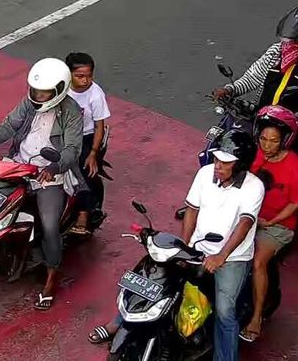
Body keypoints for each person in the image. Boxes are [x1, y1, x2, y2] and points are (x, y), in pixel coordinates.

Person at [89, 130, 264, 361]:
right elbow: (192, 210)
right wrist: (186, 244)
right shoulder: (204, 174)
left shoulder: (254, 187)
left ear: (240, 166)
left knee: (225, 313)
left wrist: (221, 256)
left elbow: (244, 224)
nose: (218, 166)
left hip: (231, 258)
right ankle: (117, 323)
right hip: (198, 249)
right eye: (217, 160)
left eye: (225, 163)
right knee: (153, 284)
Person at [0, 58, 84, 310]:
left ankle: (52, 277)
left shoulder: (72, 112)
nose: (39, 96)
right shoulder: (28, 103)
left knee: (49, 225)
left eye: (44, 93)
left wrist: (53, 167)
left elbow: (72, 150)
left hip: (49, 175)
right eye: (36, 91)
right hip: (18, 164)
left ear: (59, 90)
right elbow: (10, 125)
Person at [213, 6, 298, 155]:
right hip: (263, 118)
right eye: (284, 39)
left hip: (295, 128)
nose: (285, 44)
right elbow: (252, 78)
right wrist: (230, 89)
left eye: (291, 40)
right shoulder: (275, 52)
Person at [240, 105, 298, 343]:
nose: (266, 145)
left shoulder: (293, 164)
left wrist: (272, 221)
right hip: (251, 215)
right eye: (263, 139)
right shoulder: (256, 154)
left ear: (284, 141)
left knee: (258, 261)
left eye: (273, 141)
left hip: (278, 225)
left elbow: (296, 203)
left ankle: (256, 318)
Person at [65, 52, 111, 235]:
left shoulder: (96, 95)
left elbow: (99, 126)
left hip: (86, 137)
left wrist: (93, 153)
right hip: (62, 134)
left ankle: (83, 214)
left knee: (83, 170)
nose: (85, 81)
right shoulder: (62, 88)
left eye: (89, 76)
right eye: (80, 76)